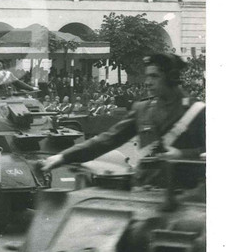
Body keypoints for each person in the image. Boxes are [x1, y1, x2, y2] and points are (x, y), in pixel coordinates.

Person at [42, 53, 205, 172]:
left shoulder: (196, 111)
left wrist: (184, 154)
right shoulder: (142, 109)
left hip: (186, 194)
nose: (148, 82)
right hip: (145, 189)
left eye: (154, 76)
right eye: (147, 76)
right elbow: (108, 139)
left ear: (172, 77)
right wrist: (63, 157)